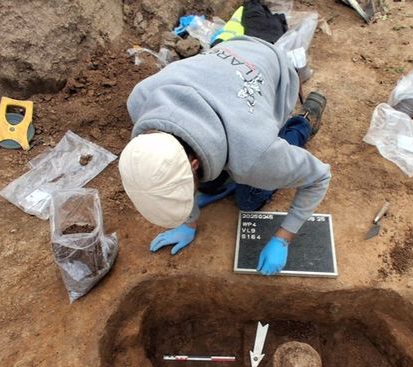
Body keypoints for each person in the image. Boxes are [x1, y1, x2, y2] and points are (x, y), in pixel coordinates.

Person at [119, 9, 330, 276]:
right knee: (212, 182)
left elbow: (319, 177)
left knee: (249, 198)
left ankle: (305, 121)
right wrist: (188, 222)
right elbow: (172, 165)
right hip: (226, 56)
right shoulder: (141, 100)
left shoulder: (255, 153)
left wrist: (283, 238)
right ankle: (216, 179)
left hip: (273, 70)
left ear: (194, 164)